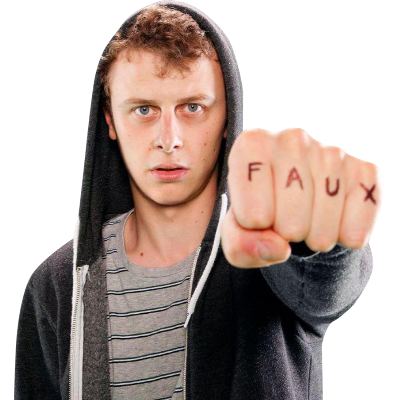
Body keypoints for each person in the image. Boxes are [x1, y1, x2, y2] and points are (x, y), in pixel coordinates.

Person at [14, 1, 377, 399]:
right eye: (144, 109)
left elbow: (326, 287)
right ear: (110, 120)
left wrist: (317, 229)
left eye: (193, 107)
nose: (168, 139)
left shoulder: (266, 251)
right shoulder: (55, 285)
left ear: (227, 117)